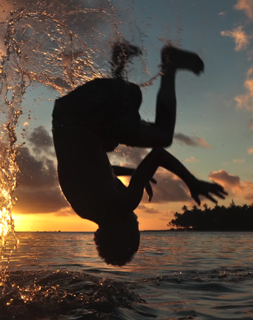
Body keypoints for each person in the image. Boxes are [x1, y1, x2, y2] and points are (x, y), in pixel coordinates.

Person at [52, 43, 227, 266]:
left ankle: (169, 63)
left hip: (87, 117)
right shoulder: (84, 208)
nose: (137, 222)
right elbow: (93, 166)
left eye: (137, 228)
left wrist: (192, 182)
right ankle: (119, 59)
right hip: (65, 113)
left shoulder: (123, 205)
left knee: (161, 135)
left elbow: (157, 155)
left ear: (124, 231)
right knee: (111, 139)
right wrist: (134, 172)